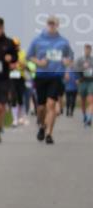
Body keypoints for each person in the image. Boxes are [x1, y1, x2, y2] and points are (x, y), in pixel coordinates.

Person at [26, 16, 74, 145]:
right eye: (50, 23)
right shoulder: (37, 40)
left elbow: (70, 58)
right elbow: (28, 56)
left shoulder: (63, 42)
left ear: (57, 25)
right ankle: (42, 126)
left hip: (56, 76)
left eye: (54, 24)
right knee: (41, 108)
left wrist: (66, 61)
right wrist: (39, 62)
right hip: (41, 76)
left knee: (51, 105)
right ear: (47, 24)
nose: (52, 26)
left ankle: (49, 134)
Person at [9, 37, 27, 127]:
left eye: (16, 45)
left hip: (21, 77)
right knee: (13, 97)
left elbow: (24, 65)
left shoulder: (23, 53)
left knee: (20, 97)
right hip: (12, 77)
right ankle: (15, 119)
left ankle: (21, 117)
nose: (15, 46)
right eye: (14, 45)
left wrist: (19, 64)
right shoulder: (9, 53)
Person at [77, 44, 93, 128]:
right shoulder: (80, 59)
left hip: (91, 81)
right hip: (82, 81)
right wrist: (78, 78)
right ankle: (85, 116)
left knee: (91, 100)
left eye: (89, 50)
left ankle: (89, 118)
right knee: (83, 101)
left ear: (91, 50)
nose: (87, 51)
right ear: (84, 50)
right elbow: (76, 70)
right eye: (86, 50)